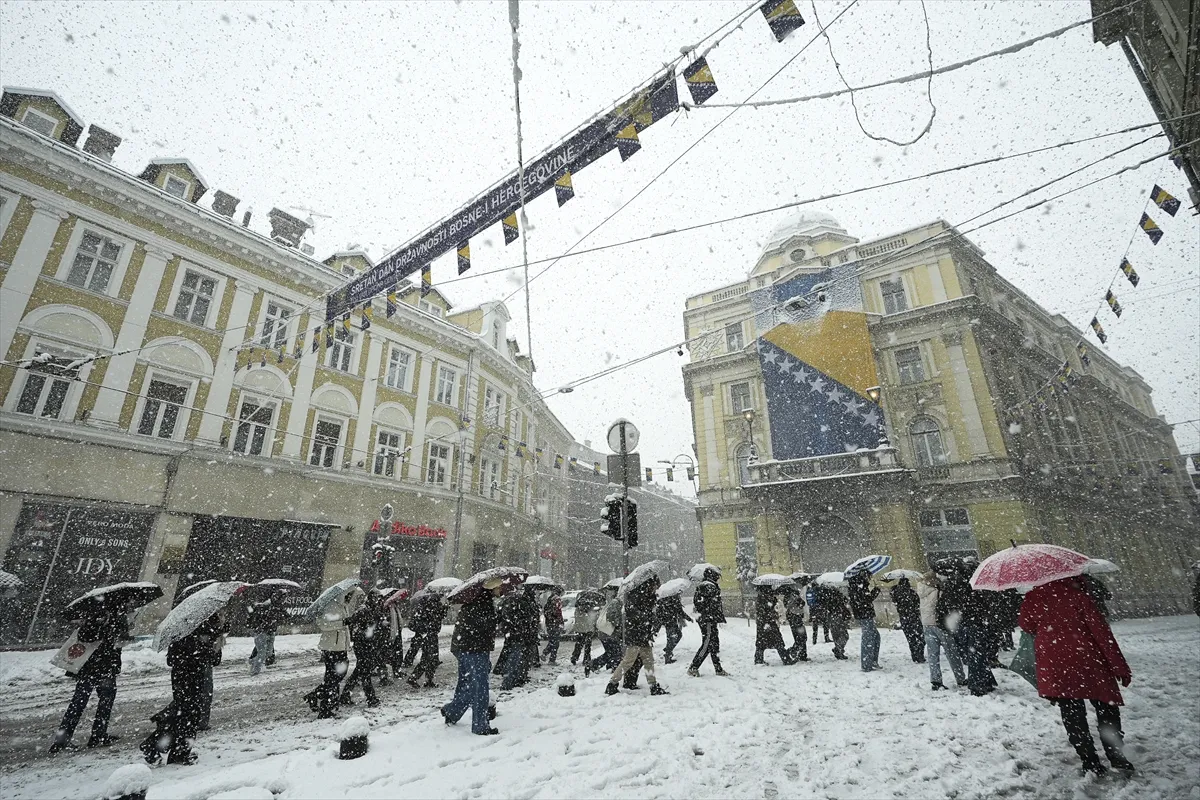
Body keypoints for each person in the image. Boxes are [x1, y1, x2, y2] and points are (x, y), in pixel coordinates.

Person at [1018, 576, 1135, 776]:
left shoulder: (1033, 599)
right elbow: (1102, 633)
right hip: (1089, 660)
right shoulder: (1078, 596)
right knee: (1107, 708)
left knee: (1072, 713)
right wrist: (1119, 666)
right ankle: (1116, 756)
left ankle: (1089, 761)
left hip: (1056, 664)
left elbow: (1026, 625)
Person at [140, 609, 226, 765]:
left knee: (183, 713)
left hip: (186, 676)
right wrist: (209, 644)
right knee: (188, 715)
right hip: (189, 676)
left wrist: (214, 641)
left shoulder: (191, 628)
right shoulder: (198, 628)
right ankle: (170, 748)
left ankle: (168, 747)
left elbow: (211, 660)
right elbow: (206, 658)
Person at [50, 609, 129, 753]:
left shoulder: (94, 616)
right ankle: (97, 734)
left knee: (81, 702)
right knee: (102, 700)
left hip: (91, 667)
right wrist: (112, 630)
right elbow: (116, 641)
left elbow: (86, 636)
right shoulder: (109, 618)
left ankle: (64, 739)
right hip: (102, 667)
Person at [441, 579, 503, 735]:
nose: (501, 588)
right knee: (480, 686)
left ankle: (452, 712)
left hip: (467, 648)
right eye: (499, 586)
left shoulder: (479, 600)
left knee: (467, 684)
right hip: (474, 649)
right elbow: (478, 626)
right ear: (492, 588)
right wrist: (496, 619)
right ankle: (480, 725)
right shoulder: (482, 604)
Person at [305, 585, 361, 718]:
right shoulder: (331, 606)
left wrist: (348, 638)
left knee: (331, 677)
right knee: (336, 676)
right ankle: (323, 705)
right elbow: (322, 624)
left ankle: (328, 703)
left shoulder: (344, 606)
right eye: (349, 594)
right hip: (332, 647)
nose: (351, 597)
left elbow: (344, 627)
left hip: (340, 646)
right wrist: (344, 622)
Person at [605, 575, 667, 695]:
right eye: (655, 586)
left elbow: (649, 613)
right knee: (628, 661)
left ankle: (653, 686)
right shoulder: (634, 595)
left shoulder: (649, 596)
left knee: (649, 661)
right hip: (635, 634)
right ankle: (612, 683)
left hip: (644, 634)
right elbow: (632, 613)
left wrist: (653, 615)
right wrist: (646, 618)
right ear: (650, 584)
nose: (656, 588)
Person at [917, 572, 965, 690]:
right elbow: (941, 606)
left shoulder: (922, 591)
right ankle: (960, 678)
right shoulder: (937, 591)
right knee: (952, 652)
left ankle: (936, 681)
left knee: (933, 655)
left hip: (926, 624)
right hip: (939, 624)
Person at [958, 570, 999, 697]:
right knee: (977, 656)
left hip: (972, 625)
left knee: (977, 655)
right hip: (976, 625)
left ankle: (983, 681)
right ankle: (978, 684)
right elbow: (982, 608)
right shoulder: (976, 592)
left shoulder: (964, 590)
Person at [340, 589, 384, 708]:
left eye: (379, 598)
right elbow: (352, 622)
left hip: (368, 644)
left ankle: (345, 695)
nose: (378, 600)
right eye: (376, 598)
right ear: (371, 598)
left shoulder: (373, 610)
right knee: (365, 672)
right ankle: (371, 698)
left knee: (359, 670)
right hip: (362, 645)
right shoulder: (363, 610)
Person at [688, 566, 728, 676]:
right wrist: (713, 612)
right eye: (717, 576)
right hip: (708, 620)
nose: (718, 578)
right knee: (707, 643)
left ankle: (718, 668)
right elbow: (710, 604)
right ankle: (693, 667)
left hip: (708, 619)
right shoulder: (707, 586)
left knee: (714, 644)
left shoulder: (706, 585)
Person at [500, 585, 540, 689]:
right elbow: (519, 618)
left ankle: (517, 678)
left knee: (519, 658)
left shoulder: (520, 601)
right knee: (515, 658)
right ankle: (510, 682)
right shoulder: (518, 602)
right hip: (519, 634)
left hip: (521, 633)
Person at [407, 589, 447, 688]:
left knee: (429, 658)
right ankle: (416, 678)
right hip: (430, 635)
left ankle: (427, 680)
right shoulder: (434, 604)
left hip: (428, 634)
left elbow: (438, 617)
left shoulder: (428, 604)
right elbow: (438, 617)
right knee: (429, 658)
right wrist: (443, 607)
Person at [847, 570, 880, 672]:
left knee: (875, 637)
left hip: (865, 615)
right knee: (868, 639)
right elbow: (866, 600)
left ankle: (872, 661)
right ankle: (867, 664)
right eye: (869, 576)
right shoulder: (859, 586)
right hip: (865, 615)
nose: (870, 578)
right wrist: (875, 591)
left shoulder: (858, 585)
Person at [247, 594, 287, 676]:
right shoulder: (265, 607)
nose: (283, 600)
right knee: (262, 652)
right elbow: (259, 620)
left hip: (271, 631)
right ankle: (255, 670)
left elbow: (285, 615)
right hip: (262, 632)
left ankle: (252, 661)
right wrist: (267, 622)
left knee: (268, 653)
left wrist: (279, 616)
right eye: (283, 598)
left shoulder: (278, 607)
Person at [754, 587, 793, 665]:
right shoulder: (763, 599)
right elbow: (764, 612)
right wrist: (770, 618)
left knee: (761, 642)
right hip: (767, 623)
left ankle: (758, 659)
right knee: (777, 642)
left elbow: (767, 611)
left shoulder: (763, 598)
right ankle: (786, 659)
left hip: (765, 623)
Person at [890, 578, 925, 663]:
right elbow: (917, 604)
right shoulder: (912, 593)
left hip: (904, 618)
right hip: (914, 617)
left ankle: (914, 655)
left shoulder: (895, 593)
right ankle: (920, 655)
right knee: (920, 637)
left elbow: (895, 602)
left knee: (910, 638)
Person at [653, 590, 691, 664]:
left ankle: (668, 651)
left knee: (672, 637)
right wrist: (688, 618)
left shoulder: (663, 599)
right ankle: (667, 655)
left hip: (666, 621)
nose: (680, 593)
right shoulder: (674, 599)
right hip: (671, 621)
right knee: (675, 637)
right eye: (679, 592)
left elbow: (658, 612)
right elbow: (680, 611)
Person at [594, 585, 625, 672]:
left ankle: (610, 666)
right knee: (614, 652)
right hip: (609, 633)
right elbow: (611, 617)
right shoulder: (616, 602)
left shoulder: (612, 602)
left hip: (605, 632)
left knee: (611, 652)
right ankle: (594, 664)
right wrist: (618, 624)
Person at [570, 590, 601, 674]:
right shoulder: (587, 608)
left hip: (580, 629)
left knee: (579, 644)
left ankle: (575, 657)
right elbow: (590, 619)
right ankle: (586, 659)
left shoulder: (577, 608)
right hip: (587, 629)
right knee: (587, 645)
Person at [821, 584, 851, 660]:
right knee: (843, 635)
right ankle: (839, 650)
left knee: (838, 636)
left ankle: (838, 650)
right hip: (836, 616)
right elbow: (838, 603)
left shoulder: (827, 595)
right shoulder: (833, 595)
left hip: (833, 616)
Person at [779, 585, 808, 662]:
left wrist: (800, 602)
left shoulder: (795, 595)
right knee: (801, 637)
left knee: (801, 637)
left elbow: (801, 603)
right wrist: (797, 601)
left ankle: (802, 654)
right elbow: (789, 605)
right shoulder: (789, 596)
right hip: (794, 617)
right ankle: (793, 651)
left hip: (796, 617)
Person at [542, 589, 565, 665]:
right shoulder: (557, 600)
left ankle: (544, 654)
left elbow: (546, 613)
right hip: (555, 624)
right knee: (555, 642)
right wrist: (560, 622)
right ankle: (552, 660)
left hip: (549, 624)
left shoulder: (549, 601)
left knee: (552, 641)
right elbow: (558, 613)